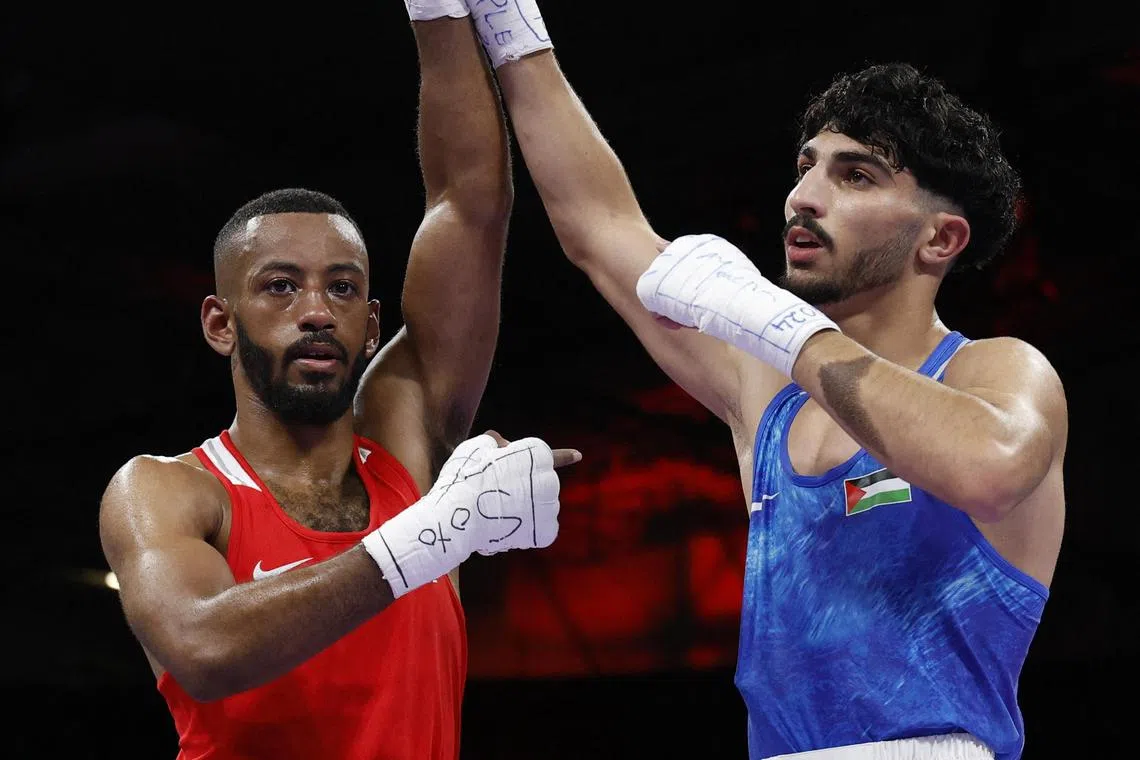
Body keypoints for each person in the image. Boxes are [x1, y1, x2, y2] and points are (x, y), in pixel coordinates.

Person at [456, 3, 1068, 759]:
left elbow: (991, 468)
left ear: (939, 238)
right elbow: (597, 226)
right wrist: (507, 24)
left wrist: (781, 326)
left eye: (856, 176)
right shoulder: (766, 391)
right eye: (806, 166)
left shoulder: (998, 370)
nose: (804, 197)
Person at [97, 8, 579, 760]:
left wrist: (441, 15)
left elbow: (469, 202)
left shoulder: (404, 440)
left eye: (343, 289)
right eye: (281, 288)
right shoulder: (168, 491)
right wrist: (441, 529)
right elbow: (204, 645)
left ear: (371, 322)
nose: (317, 311)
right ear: (221, 323)